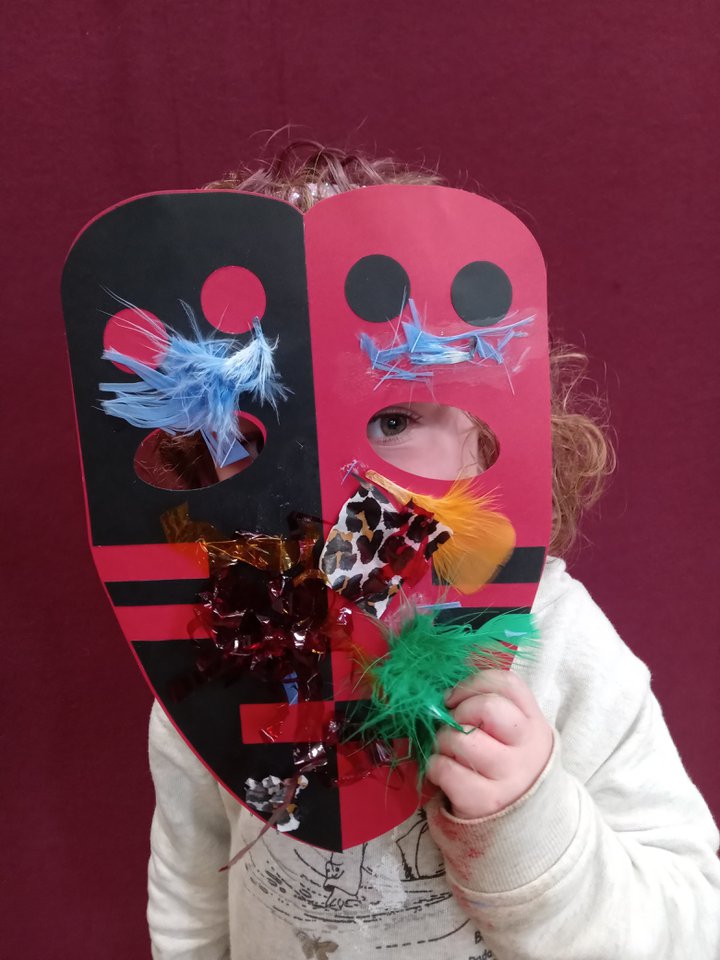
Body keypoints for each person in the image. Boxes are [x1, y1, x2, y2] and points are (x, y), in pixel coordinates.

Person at [147, 145, 720, 960]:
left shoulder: (557, 645)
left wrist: (532, 823)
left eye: (389, 420)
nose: (320, 491)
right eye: (251, 432)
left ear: (490, 438)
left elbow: (692, 926)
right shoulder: (213, 645)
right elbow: (190, 887)